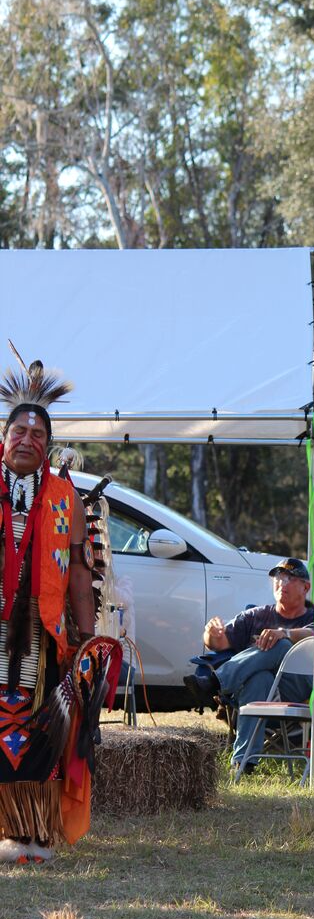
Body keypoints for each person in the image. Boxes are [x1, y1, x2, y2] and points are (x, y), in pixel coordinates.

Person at [0, 355, 116, 864]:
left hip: (40, 632)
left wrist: (87, 639)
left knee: (36, 730)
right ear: (4, 437)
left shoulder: (64, 495)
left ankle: (31, 835)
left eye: (38, 432)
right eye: (19, 429)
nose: (27, 438)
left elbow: (77, 576)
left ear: (47, 444)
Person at [199, 558, 314, 772]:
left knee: (280, 644)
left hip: (297, 688)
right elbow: (219, 643)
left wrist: (284, 634)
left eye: (289, 579)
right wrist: (211, 634)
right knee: (260, 678)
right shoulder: (255, 616)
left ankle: (216, 681)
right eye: (278, 579)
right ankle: (244, 762)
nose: (281, 584)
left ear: (305, 587)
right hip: (261, 690)